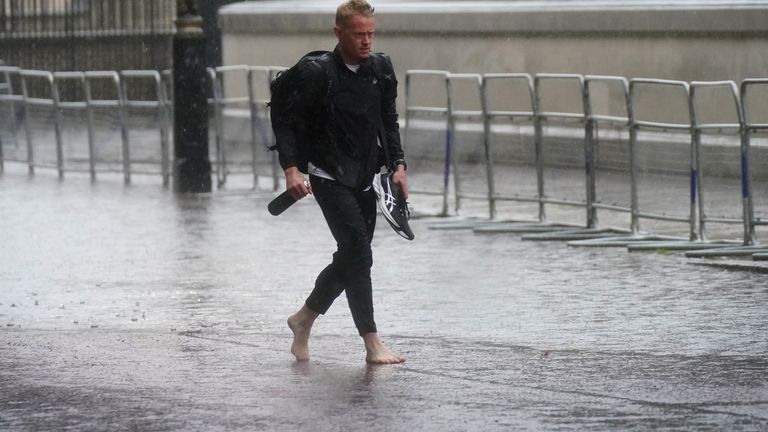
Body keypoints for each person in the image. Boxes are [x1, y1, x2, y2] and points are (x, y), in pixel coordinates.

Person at [272, 0, 408, 364]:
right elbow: (284, 119)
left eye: (370, 34)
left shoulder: (380, 69)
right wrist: (291, 169)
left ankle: (303, 319)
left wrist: (398, 165)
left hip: (366, 175)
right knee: (360, 253)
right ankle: (372, 343)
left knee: (350, 256)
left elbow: (388, 119)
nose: (366, 42)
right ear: (338, 33)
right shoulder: (317, 73)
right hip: (327, 175)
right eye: (358, 34)